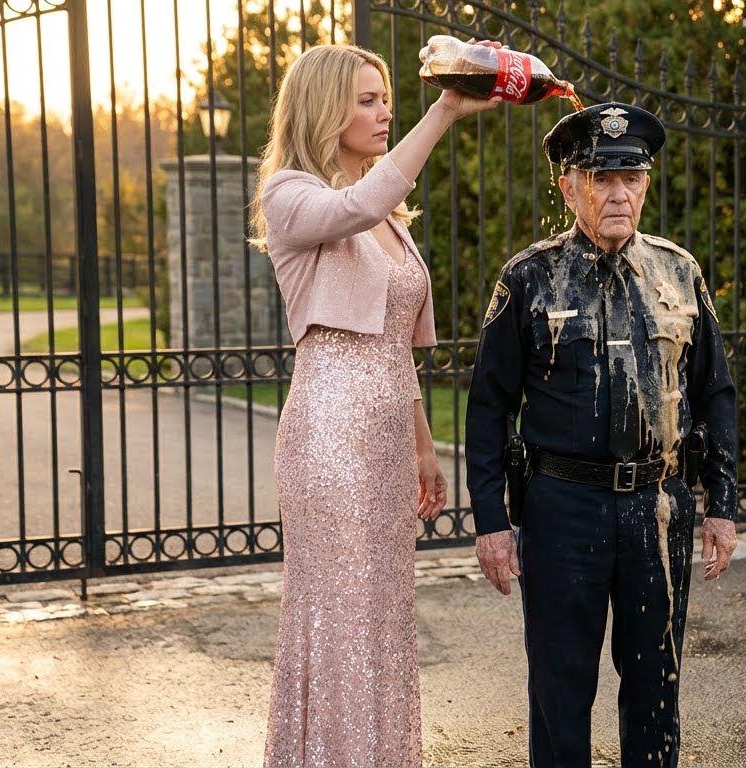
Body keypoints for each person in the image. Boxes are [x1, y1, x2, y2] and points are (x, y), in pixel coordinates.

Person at [465, 102, 740, 767]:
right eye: (600, 178)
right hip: (563, 508)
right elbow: (487, 406)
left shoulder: (679, 272)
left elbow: (715, 392)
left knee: (656, 685)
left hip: (659, 505)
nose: (619, 194)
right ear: (568, 186)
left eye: (632, 179)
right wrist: (492, 522)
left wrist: (721, 505)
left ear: (645, 183)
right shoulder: (528, 278)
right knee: (561, 689)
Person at [248, 43, 500, 766]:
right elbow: (358, 202)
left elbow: (395, 346)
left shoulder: (393, 220)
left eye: (386, 96)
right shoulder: (291, 196)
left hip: (388, 436)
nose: (384, 110)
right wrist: (447, 107)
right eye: (367, 100)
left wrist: (423, 445)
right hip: (328, 435)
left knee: (381, 619)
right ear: (325, 108)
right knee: (339, 617)